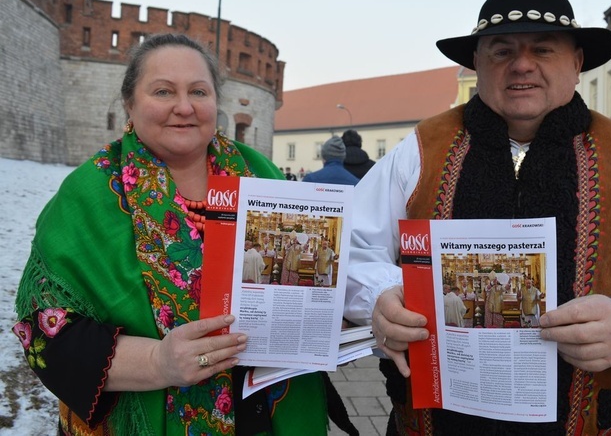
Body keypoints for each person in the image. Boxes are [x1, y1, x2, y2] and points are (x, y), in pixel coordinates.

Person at [344, 0, 611, 435]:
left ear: (576, 64)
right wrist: (380, 297)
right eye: (501, 51)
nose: (521, 64)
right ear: (476, 64)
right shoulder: (421, 149)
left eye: (543, 49)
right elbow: (350, 249)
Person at [12, 33, 356, 436]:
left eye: (198, 91)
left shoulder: (260, 173)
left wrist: (332, 320)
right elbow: (43, 330)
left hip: (269, 410)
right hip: (147, 411)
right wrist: (158, 361)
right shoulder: (89, 193)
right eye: (162, 91)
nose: (184, 107)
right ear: (130, 103)